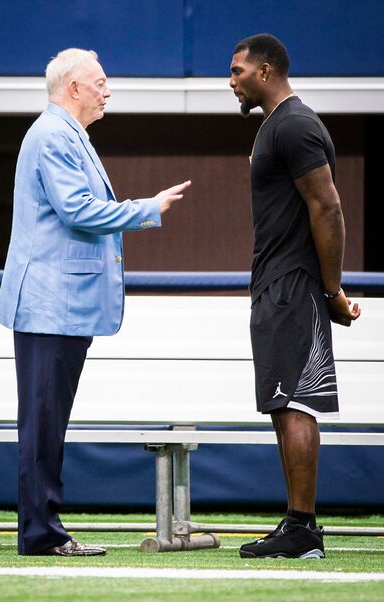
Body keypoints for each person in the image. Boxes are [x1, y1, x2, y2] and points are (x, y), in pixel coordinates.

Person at [0, 48, 191, 557]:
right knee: (42, 425)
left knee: (46, 424)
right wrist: (148, 208)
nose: (108, 90)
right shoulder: (55, 134)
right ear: (74, 87)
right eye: (100, 82)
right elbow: (78, 210)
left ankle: (43, 529)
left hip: (57, 306)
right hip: (49, 306)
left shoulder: (65, 134)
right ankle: (41, 533)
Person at [229, 34, 361, 559]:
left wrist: (330, 290)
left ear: (265, 71)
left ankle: (303, 528)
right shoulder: (275, 125)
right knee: (282, 405)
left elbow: (328, 208)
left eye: (238, 71)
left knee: (295, 402)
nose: (231, 80)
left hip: (295, 285)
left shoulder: (295, 124)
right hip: (277, 284)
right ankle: (296, 525)